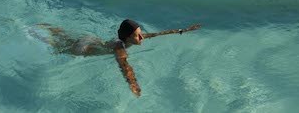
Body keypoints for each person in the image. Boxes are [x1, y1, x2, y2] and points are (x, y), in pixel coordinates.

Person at [37, 19, 201, 96]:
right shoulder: (119, 47)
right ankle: (41, 33)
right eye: (138, 36)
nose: (142, 38)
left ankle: (51, 28)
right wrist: (133, 83)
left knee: (66, 38)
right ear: (128, 37)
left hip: (92, 40)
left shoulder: (130, 39)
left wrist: (184, 30)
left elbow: (157, 34)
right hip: (84, 48)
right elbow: (124, 64)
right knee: (58, 47)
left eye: (140, 34)